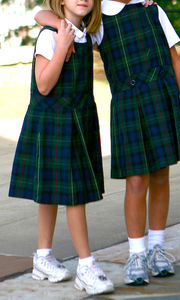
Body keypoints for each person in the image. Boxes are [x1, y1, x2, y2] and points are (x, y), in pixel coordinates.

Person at [34, 0, 180, 286]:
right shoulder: (97, 17)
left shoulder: (152, 8)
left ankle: (157, 248)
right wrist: (60, 28)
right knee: (136, 181)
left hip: (161, 99)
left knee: (161, 175)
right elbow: (42, 13)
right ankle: (137, 253)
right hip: (126, 105)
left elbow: (174, 59)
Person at [9, 0, 114, 296]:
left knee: (51, 192)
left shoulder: (87, 33)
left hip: (78, 119)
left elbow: (116, 9)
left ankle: (43, 257)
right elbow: (43, 85)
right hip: (54, 120)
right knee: (73, 193)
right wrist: (61, 35)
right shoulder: (49, 35)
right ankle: (86, 265)